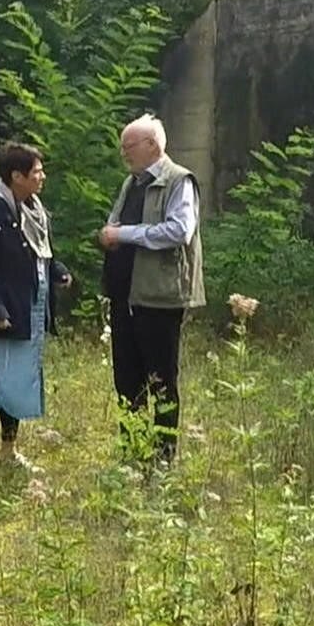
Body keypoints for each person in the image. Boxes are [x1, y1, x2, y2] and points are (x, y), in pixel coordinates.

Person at [0, 142, 71, 478]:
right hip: (5, 314)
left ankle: (8, 450)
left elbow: (40, 256)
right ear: (16, 176)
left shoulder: (34, 209)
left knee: (16, 383)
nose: (42, 177)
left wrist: (56, 271)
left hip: (30, 311)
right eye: (36, 172)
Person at [98, 113, 204, 464]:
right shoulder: (132, 182)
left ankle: (163, 458)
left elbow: (179, 231)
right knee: (126, 380)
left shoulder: (179, 181)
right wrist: (110, 233)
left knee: (161, 381)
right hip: (125, 296)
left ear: (152, 145)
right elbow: (118, 222)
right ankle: (131, 453)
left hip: (159, 299)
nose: (123, 153)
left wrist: (124, 234)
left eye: (129, 146)